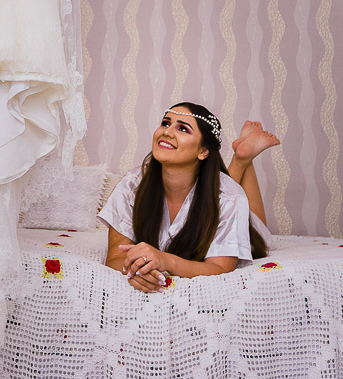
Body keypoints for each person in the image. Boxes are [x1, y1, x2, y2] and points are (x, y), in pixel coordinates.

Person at [98, 102, 279, 293]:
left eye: (183, 129)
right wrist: (139, 271)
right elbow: (115, 257)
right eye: (166, 123)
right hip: (217, 192)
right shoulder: (131, 185)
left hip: (236, 212)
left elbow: (220, 268)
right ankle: (243, 157)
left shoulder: (231, 197)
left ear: (203, 151)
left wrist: (166, 260)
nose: (167, 132)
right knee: (220, 192)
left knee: (260, 233)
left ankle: (243, 159)